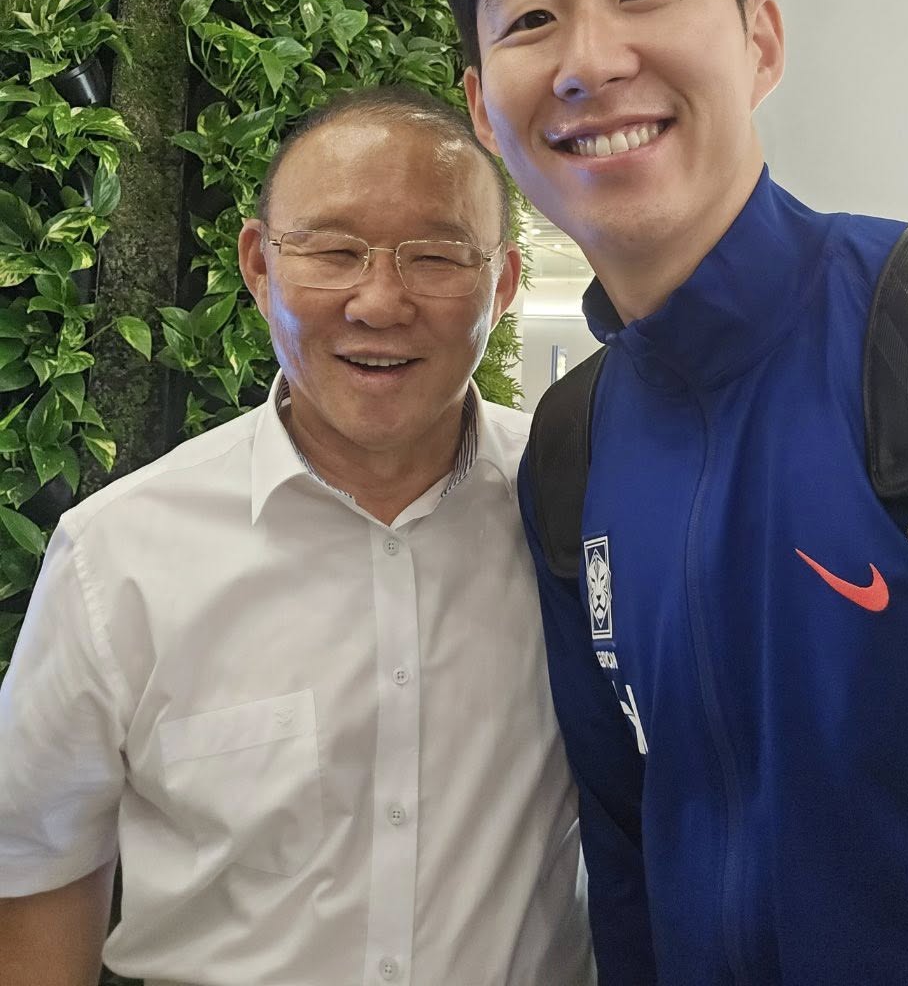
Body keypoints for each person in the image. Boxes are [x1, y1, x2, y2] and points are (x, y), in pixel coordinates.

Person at [444, 0, 908, 985]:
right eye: (531, 16)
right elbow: (626, 857)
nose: (591, 58)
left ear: (760, 40)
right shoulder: (571, 451)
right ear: (483, 110)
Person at [0, 87, 595, 986]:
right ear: (259, 264)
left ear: (503, 284)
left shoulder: (577, 508)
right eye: (333, 251)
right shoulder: (117, 556)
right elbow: (36, 877)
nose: (379, 302)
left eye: (437, 256)